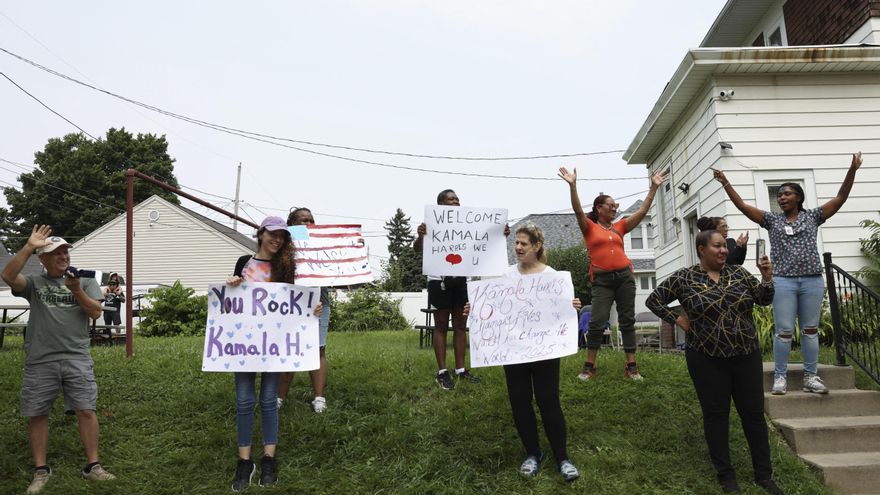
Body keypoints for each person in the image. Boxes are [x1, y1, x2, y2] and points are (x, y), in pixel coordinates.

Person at [712, 151, 863, 395]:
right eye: (779, 194)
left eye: (787, 193)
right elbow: (741, 206)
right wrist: (725, 182)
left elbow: (841, 197)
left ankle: (810, 377)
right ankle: (780, 378)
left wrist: (852, 169)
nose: (781, 197)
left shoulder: (813, 216)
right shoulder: (772, 220)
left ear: (798, 198)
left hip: (812, 281)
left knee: (810, 330)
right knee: (783, 332)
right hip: (782, 281)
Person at [646, 229, 782, 494]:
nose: (724, 251)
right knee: (716, 415)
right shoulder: (685, 277)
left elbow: (763, 300)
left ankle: (764, 475)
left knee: (753, 415)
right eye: (717, 246)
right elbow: (655, 300)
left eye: (725, 247)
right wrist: (678, 319)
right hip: (706, 358)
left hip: (745, 354)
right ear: (701, 249)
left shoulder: (738, 273)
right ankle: (726, 476)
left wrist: (767, 277)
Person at [1, 225, 116, 494]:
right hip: (40, 359)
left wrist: (75, 290)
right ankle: (41, 470)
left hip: (76, 357)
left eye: (66, 251)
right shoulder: (34, 284)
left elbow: (96, 312)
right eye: (56, 253)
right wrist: (29, 246)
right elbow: (7, 275)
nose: (63, 256)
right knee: (37, 413)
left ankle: (93, 466)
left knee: (86, 410)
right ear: (43, 259)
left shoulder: (84, 281)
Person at [464, 224, 581, 481]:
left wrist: (572, 305)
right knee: (519, 401)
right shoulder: (505, 276)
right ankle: (533, 453)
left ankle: (563, 458)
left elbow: (560, 310)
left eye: (523, 244)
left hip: (545, 352)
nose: (517, 248)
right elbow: (490, 309)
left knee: (549, 402)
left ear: (537, 246)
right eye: (516, 243)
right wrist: (473, 311)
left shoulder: (552, 276)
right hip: (513, 352)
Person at [225, 216, 323, 491]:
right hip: (244, 342)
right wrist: (232, 283)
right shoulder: (244, 263)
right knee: (244, 400)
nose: (277, 239)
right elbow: (233, 300)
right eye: (273, 234)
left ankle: (269, 457)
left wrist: (312, 309)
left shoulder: (287, 267)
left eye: (282, 236)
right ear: (261, 233)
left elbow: (297, 301)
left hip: (275, 344)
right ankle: (245, 461)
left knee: (269, 399)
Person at [558, 167, 666, 381]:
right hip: (602, 281)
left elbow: (642, 212)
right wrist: (573, 186)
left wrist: (653, 188)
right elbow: (579, 211)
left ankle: (631, 366)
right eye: (611, 205)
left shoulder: (620, 227)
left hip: (625, 277)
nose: (615, 208)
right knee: (597, 321)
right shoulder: (588, 227)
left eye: (616, 206)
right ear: (599, 208)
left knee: (627, 320)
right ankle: (589, 366)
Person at [414, 189, 490, 390]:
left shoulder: (468, 223)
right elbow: (417, 249)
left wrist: (500, 233)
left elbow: (485, 239)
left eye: (457, 199)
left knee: (460, 325)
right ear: (440, 204)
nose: (455, 201)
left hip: (461, 280)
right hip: (438, 280)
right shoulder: (430, 224)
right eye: (450, 199)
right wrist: (421, 236)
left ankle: (460, 369)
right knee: (440, 326)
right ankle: (442, 372)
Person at [278, 207, 331, 413]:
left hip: (319, 301)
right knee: (288, 347)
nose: (308, 223)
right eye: (302, 220)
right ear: (291, 224)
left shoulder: (324, 245)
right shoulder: (282, 245)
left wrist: (353, 250)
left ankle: (319, 397)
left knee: (318, 348)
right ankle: (279, 398)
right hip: (290, 301)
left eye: (311, 220)